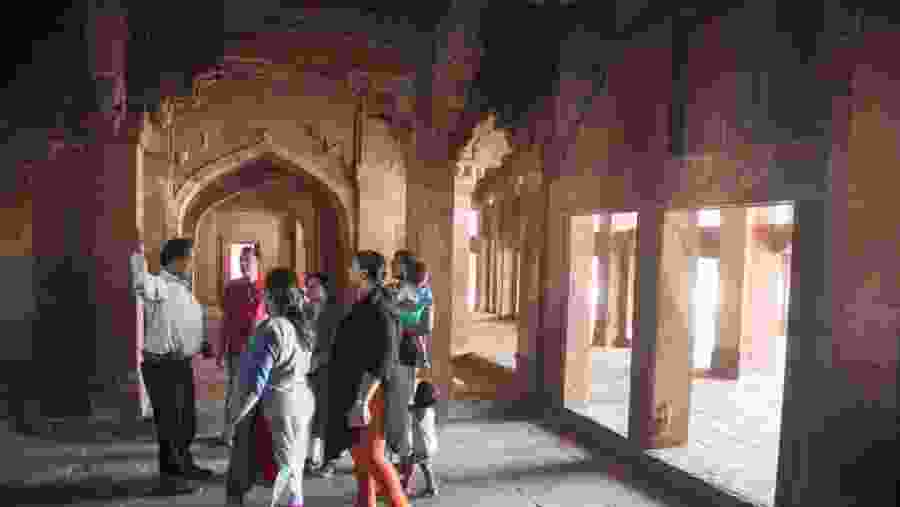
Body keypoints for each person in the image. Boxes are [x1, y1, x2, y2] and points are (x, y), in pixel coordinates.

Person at [325, 250, 411, 507]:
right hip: (357, 390)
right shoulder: (367, 302)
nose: (348, 270)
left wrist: (362, 401)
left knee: (372, 458)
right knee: (361, 458)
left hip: (372, 394)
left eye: (353, 266)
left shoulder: (380, 307)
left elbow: (381, 359)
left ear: (363, 273)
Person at [224, 268, 316, 507]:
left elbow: (255, 384)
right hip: (297, 408)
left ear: (269, 295)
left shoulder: (272, 329)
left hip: (267, 413)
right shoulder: (304, 328)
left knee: (243, 483)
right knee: (290, 477)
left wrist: (235, 420)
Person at [130, 238, 215, 495]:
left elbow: (181, 322)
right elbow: (142, 283)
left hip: (180, 364)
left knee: (186, 422)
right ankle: (170, 479)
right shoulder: (161, 285)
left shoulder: (182, 288)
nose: (192, 262)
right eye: (190, 257)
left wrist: (200, 342)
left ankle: (185, 465)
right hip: (163, 367)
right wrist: (137, 257)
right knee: (170, 426)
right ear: (177, 260)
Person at [218, 243, 268, 446]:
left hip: (261, 349)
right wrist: (221, 350)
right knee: (235, 392)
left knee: (259, 393)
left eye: (248, 259)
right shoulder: (232, 288)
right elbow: (226, 320)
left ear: (258, 261)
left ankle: (253, 435)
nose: (244, 263)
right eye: (241, 260)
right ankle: (229, 433)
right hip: (237, 348)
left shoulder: (265, 288)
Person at [303, 272, 348, 478]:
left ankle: (329, 460)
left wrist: (318, 361)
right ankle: (311, 457)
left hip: (329, 370)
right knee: (311, 414)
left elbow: (335, 344)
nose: (309, 290)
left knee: (327, 416)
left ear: (325, 289)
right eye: (307, 286)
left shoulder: (335, 312)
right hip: (308, 369)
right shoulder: (305, 310)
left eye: (313, 286)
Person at [398, 381, 441, 498]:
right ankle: (431, 488)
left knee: (410, 463)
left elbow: (409, 408)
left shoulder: (418, 410)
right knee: (425, 466)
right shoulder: (430, 410)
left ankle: (405, 486)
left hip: (422, 446)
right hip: (430, 444)